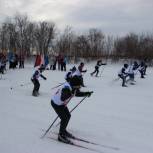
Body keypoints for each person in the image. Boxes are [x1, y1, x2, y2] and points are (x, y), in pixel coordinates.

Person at [51, 75, 93, 143]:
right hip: (56, 104)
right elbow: (63, 97)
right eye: (79, 85)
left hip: (61, 104)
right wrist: (71, 93)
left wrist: (85, 93)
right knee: (64, 118)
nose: (80, 87)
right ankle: (60, 136)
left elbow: (76, 93)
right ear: (75, 84)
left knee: (68, 116)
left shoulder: (72, 86)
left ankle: (63, 131)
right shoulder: (66, 88)